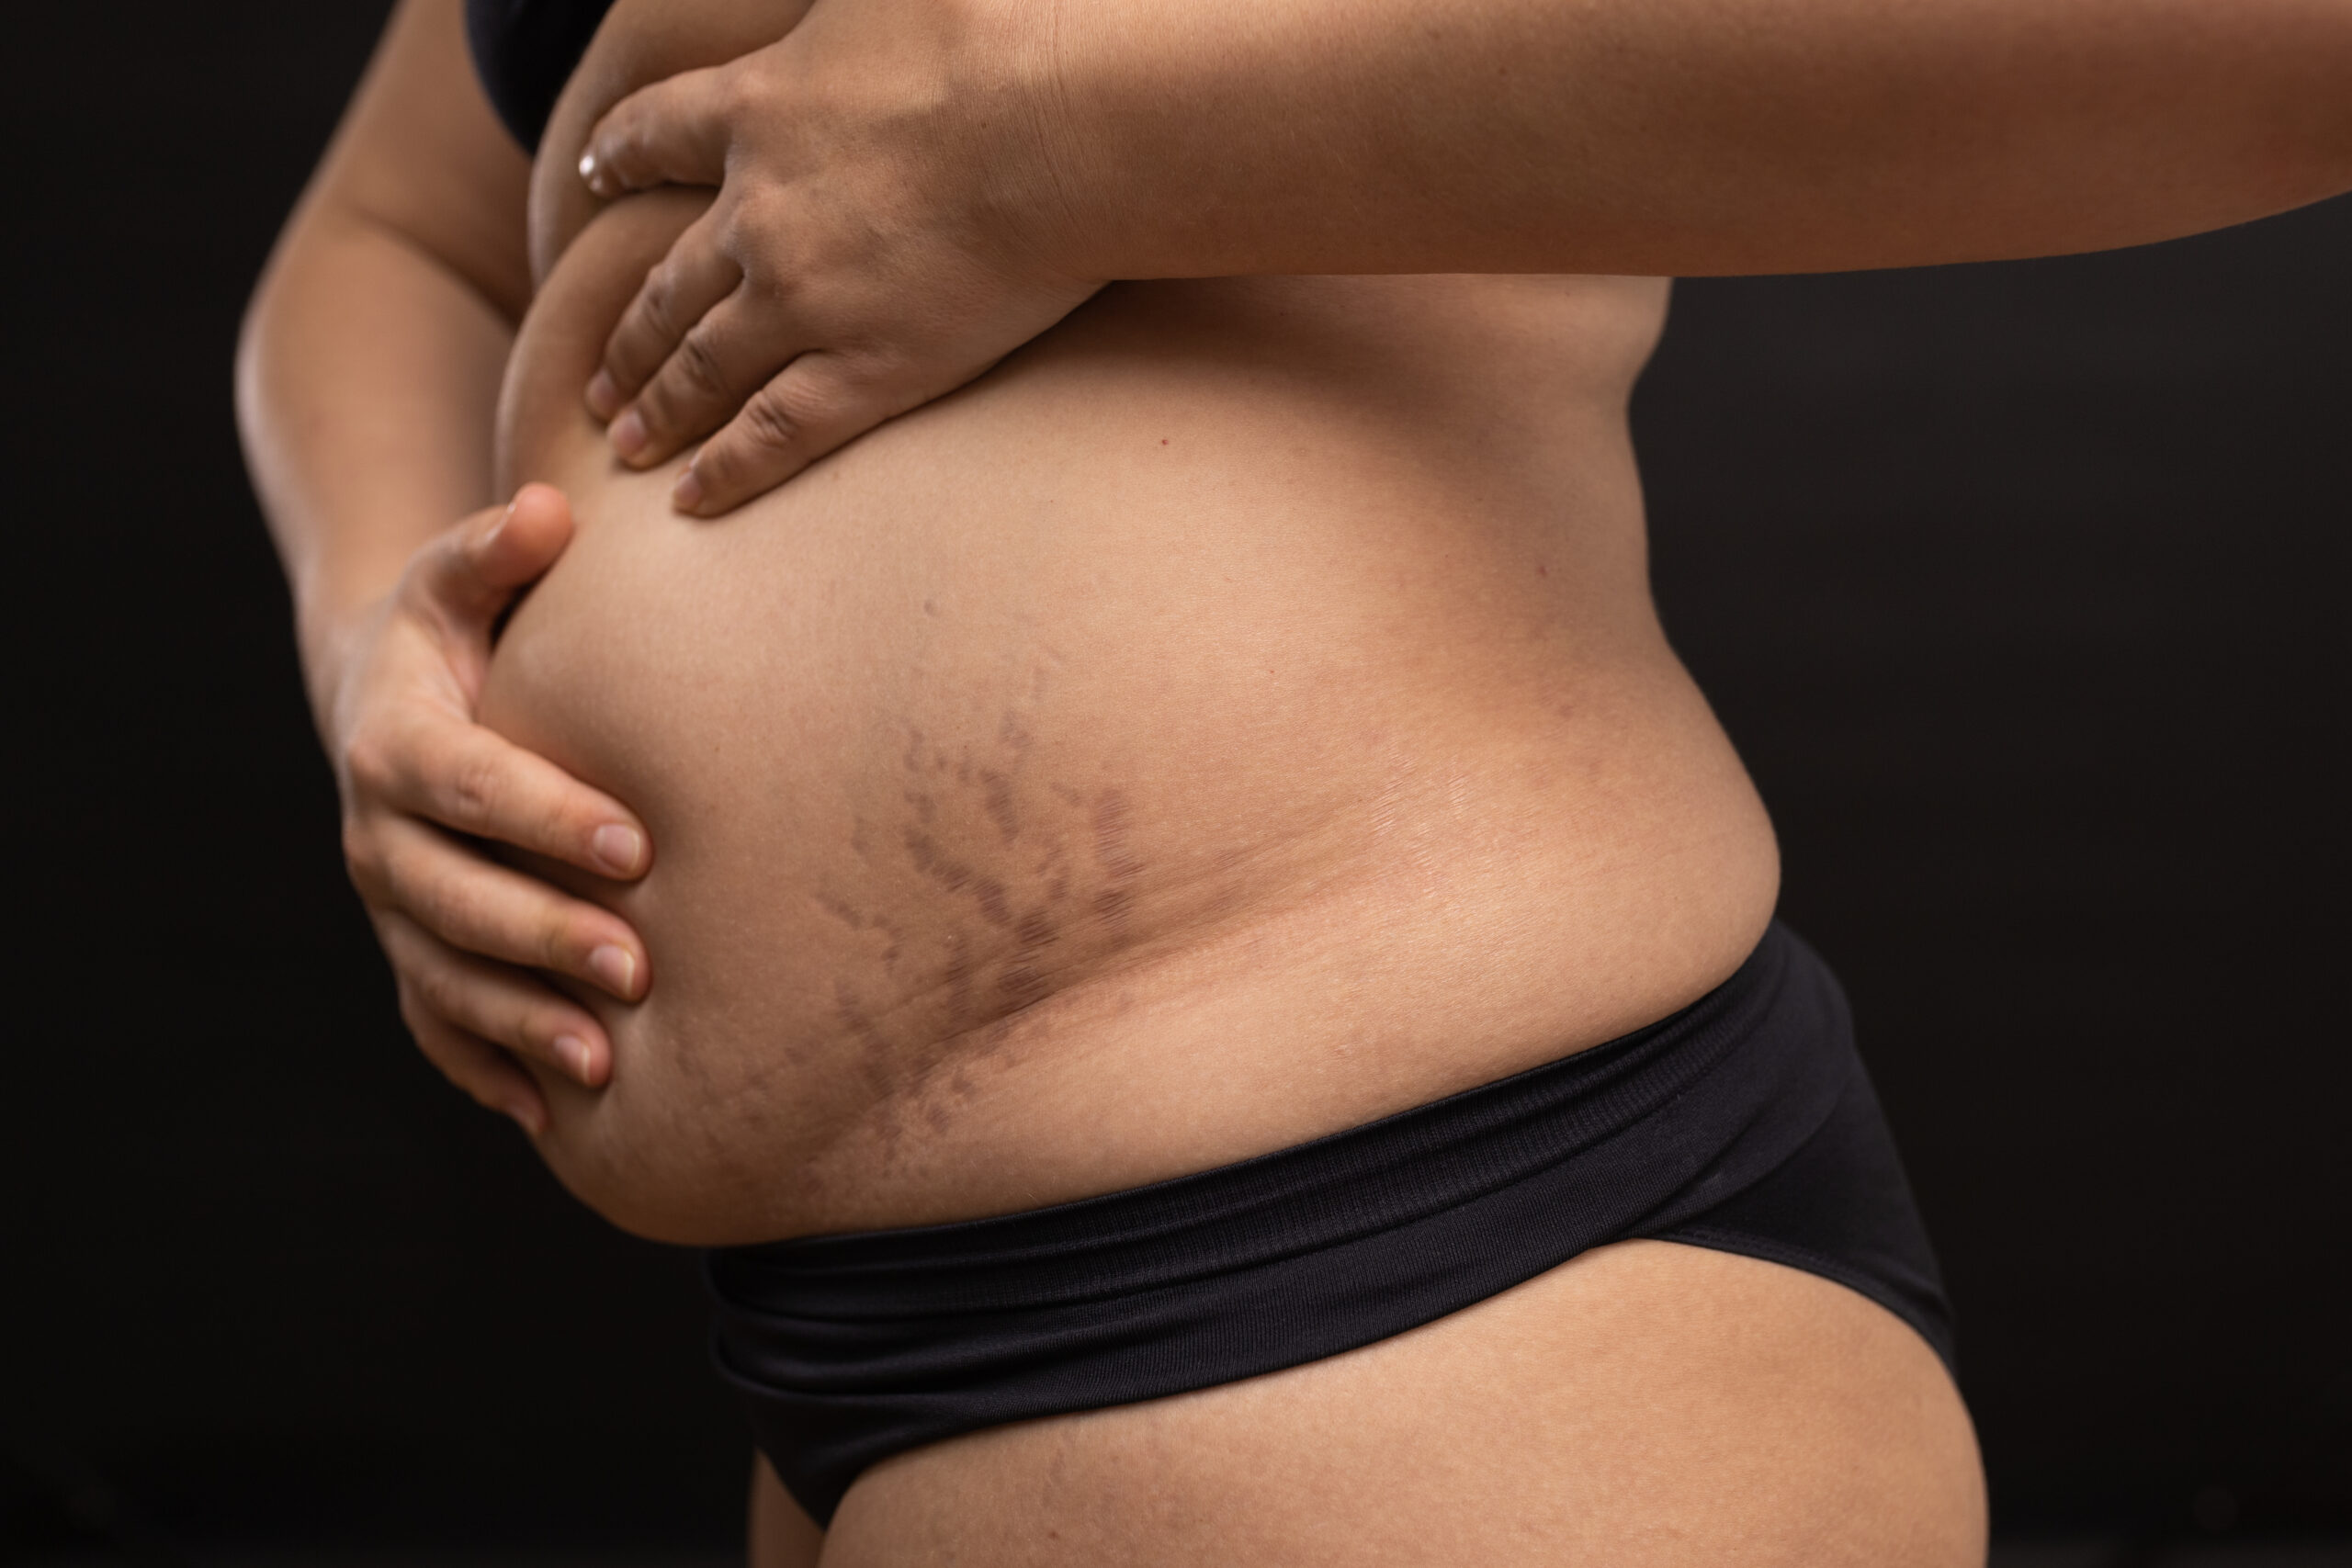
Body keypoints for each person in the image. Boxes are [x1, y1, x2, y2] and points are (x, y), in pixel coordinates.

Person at [235, 0, 2352, 1561]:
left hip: (1441, 1275)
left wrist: (1060, 146)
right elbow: (395, 232)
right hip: (846, 1374)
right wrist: (383, 656)